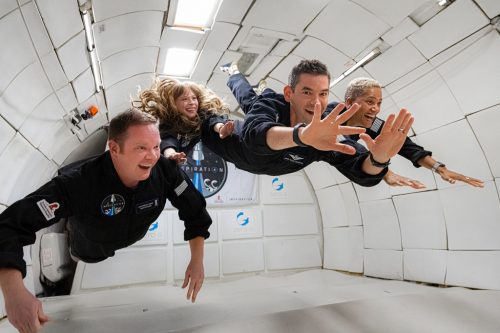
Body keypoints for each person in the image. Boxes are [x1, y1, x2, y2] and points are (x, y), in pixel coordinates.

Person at [0, 108, 212, 333]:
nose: (152, 156)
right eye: (141, 147)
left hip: (131, 232)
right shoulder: (78, 183)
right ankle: (69, 225)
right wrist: (14, 294)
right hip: (88, 249)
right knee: (83, 249)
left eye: (156, 146)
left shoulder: (165, 172)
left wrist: (197, 261)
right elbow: (10, 225)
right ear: (114, 148)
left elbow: (195, 211)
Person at [148, 59, 412, 188]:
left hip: (267, 158)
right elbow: (255, 136)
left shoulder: (324, 135)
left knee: (251, 102)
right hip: (234, 141)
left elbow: (359, 168)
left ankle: (239, 77)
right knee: (251, 101)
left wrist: (379, 162)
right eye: (307, 92)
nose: (316, 102)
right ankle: (234, 73)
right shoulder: (272, 104)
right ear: (290, 94)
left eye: (323, 94)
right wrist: (301, 136)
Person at [221, 62, 483, 188]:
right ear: (349, 102)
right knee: (250, 99)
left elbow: (404, 144)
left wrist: (438, 167)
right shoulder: (332, 114)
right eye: (369, 102)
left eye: (378, 103)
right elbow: (346, 146)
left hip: (292, 157)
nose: (375, 109)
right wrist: (384, 171)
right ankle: (233, 73)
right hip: (270, 137)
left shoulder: (371, 122)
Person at [135, 77, 234, 165]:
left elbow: (212, 119)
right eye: (185, 99)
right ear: (174, 104)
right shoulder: (168, 121)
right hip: (159, 163)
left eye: (194, 98)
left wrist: (221, 128)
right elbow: (167, 139)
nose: (192, 103)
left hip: (177, 163)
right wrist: (171, 154)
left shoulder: (201, 114)